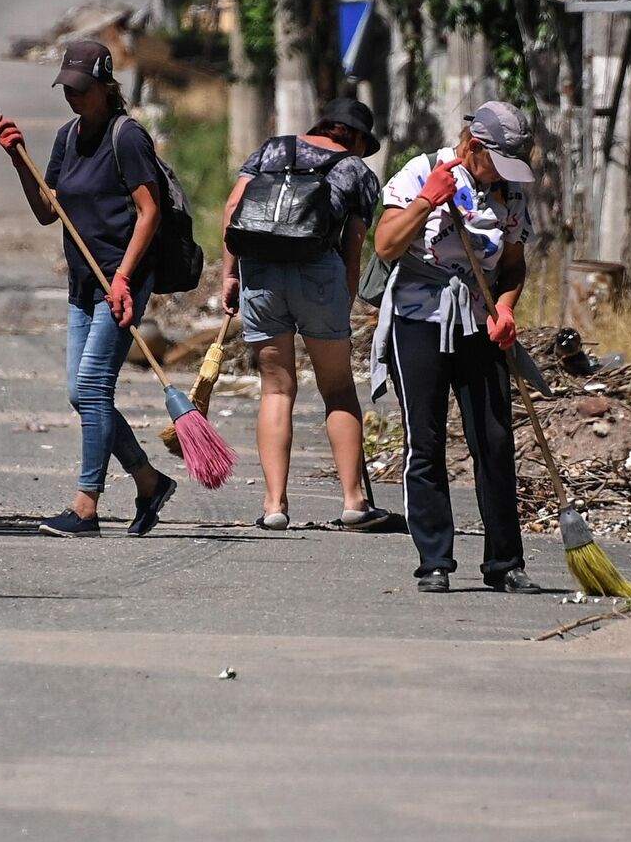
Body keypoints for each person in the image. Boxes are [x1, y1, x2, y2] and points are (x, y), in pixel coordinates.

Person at [0, 40, 178, 538]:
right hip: (82, 283)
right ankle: (148, 479)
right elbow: (47, 211)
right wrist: (19, 160)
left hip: (121, 282)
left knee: (94, 386)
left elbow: (150, 211)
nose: (73, 97)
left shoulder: (128, 137)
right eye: (67, 89)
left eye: (82, 88)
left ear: (105, 85)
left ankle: (86, 505)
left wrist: (123, 278)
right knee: (80, 393)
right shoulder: (67, 137)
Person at [372, 101, 541, 594]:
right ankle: (434, 561)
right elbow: (385, 246)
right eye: (495, 161)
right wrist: (427, 200)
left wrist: (506, 308)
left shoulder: (508, 194)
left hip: (479, 320)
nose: (500, 175)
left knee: (493, 440)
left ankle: (504, 563)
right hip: (419, 319)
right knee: (424, 442)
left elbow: (512, 265)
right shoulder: (421, 171)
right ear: (473, 146)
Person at [223, 98, 391, 532]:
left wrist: (230, 276)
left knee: (276, 390)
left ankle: (274, 506)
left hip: (259, 269)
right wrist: (345, 297)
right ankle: (354, 500)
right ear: (353, 136)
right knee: (336, 389)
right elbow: (354, 247)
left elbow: (232, 212)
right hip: (319, 272)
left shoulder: (271, 150)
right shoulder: (356, 172)